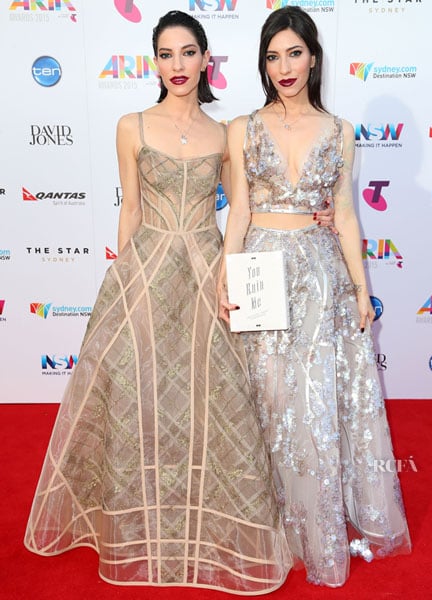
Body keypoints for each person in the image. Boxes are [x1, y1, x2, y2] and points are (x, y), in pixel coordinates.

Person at [24, 11, 297, 594]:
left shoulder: (226, 133)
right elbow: (129, 208)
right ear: (156, 63)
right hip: (145, 268)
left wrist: (247, 259)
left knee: (210, 396)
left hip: (205, 270)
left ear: (206, 60)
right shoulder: (131, 125)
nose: (178, 65)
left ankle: (208, 522)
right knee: (135, 391)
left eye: (188, 52)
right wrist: (124, 280)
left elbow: (243, 211)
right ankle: (133, 520)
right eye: (167, 55)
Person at [218, 6, 411, 589]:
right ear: (262, 63)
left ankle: (317, 526)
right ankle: (272, 521)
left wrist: (361, 290)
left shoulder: (339, 130)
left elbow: (347, 217)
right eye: (273, 56)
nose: (284, 66)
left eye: (294, 53)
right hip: (261, 272)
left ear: (314, 57)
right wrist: (227, 278)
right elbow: (239, 213)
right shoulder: (242, 126)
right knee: (269, 401)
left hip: (320, 276)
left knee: (316, 406)